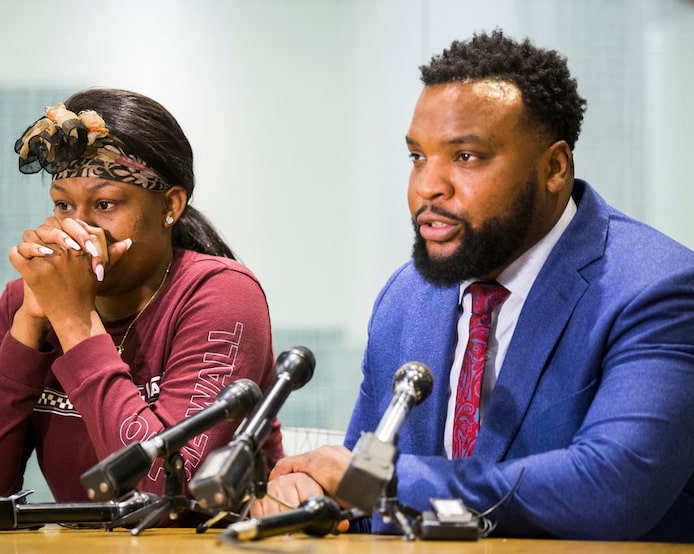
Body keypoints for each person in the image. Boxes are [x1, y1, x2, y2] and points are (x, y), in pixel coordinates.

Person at [251, 30, 694, 542]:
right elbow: (362, 476)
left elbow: (611, 490)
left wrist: (383, 483)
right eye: (417, 156)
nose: (427, 186)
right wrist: (315, 495)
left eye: (466, 157)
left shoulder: (658, 290)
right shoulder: (407, 298)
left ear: (554, 167)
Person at [0, 88, 283, 508]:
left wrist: (75, 322)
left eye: (104, 203)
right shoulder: (26, 301)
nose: (76, 229)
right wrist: (29, 326)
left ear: (171, 205)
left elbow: (164, 494)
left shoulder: (221, 294)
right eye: (62, 204)